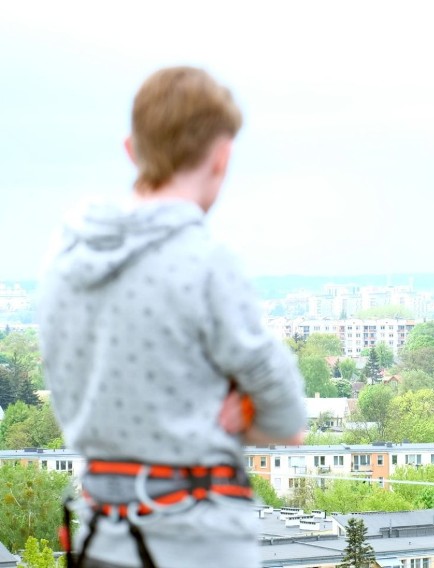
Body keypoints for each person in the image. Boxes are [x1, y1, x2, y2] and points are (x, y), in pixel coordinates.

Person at [37, 66, 308, 568]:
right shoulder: (205, 262)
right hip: (196, 543)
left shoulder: (64, 260)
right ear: (222, 157)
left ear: (131, 150)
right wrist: (240, 411)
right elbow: (289, 421)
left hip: (98, 539)